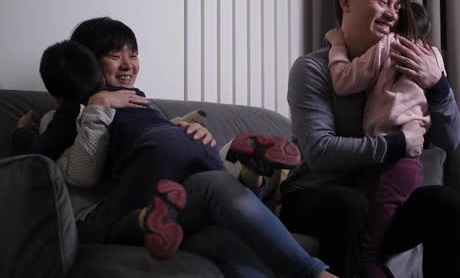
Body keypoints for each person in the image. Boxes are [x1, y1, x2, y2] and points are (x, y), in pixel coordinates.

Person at [14, 17, 336, 278]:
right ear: (87, 63)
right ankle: (310, 269)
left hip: (169, 206)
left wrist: (192, 130)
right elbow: (82, 174)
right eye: (115, 55)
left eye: (133, 53)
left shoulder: (140, 104)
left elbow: (159, 150)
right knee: (212, 186)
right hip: (109, 216)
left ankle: (247, 175)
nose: (128, 64)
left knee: (228, 241)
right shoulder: (64, 116)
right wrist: (98, 107)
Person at [279, 0, 460, 278]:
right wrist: (397, 144)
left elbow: (450, 141)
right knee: (349, 204)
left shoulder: (404, 65)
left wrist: (438, 86)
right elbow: (320, 152)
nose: (393, 13)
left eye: (396, 5)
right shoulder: (312, 69)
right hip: (315, 196)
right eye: (382, 1)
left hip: (374, 194)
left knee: (446, 201)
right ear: (346, 2)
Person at [322, 1, 444, 278]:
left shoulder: (389, 44)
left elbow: (342, 81)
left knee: (367, 254)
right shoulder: (434, 56)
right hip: (410, 165)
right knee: (378, 242)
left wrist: (337, 43)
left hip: (388, 163)